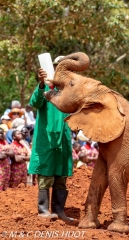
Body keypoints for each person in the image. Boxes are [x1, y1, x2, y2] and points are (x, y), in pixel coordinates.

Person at [28, 55, 73, 221]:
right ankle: (43, 211)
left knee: (61, 176)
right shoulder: (46, 88)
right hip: (46, 140)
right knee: (46, 176)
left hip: (63, 140)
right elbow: (35, 102)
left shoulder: (68, 91)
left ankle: (59, 211)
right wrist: (41, 84)